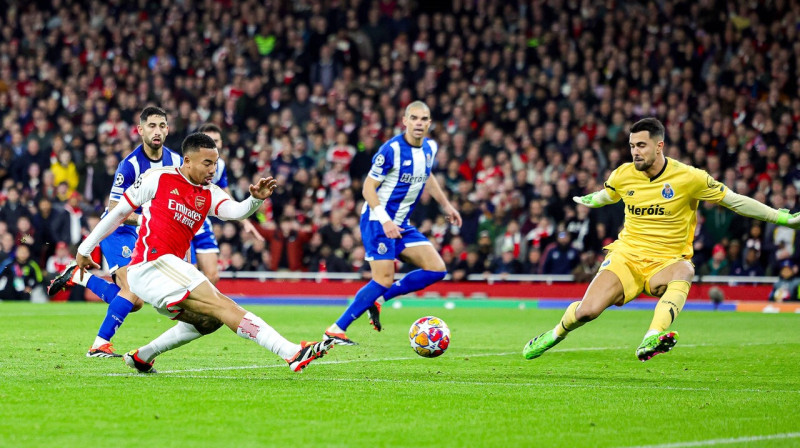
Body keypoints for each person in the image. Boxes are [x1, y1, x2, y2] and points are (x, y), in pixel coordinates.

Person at [523, 117, 800, 362]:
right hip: (626, 257)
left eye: (641, 145)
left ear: (659, 146)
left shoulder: (689, 177)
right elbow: (608, 195)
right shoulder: (623, 174)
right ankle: (556, 333)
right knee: (587, 312)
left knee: (686, 269)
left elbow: (734, 201)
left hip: (666, 261)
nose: (635, 152)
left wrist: (781, 217)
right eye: (632, 146)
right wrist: (591, 200)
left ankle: (652, 337)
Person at [74, 133, 332, 373]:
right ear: (187, 161)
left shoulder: (210, 194)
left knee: (210, 321)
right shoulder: (158, 178)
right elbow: (117, 212)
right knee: (223, 304)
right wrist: (85, 249)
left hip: (168, 270)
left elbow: (236, 211)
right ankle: (291, 352)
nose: (213, 169)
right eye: (207, 163)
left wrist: (255, 200)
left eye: (216, 163)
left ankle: (142, 356)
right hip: (150, 264)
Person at [323, 101, 462, 345]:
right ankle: (336, 329)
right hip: (378, 220)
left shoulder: (430, 147)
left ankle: (379, 299)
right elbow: (368, 187)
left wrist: (446, 205)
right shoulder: (391, 150)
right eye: (414, 118)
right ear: (405, 121)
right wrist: (386, 220)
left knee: (437, 268)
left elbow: (427, 175)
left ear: (429, 123)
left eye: (424, 119)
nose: (419, 123)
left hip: (401, 223)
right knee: (383, 278)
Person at [48, 106, 183, 357]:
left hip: (141, 233)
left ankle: (80, 277)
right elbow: (114, 210)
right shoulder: (130, 164)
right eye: (151, 126)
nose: (157, 131)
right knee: (132, 290)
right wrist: (148, 221)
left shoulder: (175, 161)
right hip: (117, 230)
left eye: (162, 125)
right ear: (140, 130)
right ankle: (99, 344)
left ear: (167, 129)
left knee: (135, 302)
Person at [190, 123, 262, 285]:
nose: (213, 144)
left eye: (216, 140)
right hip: (183, 220)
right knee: (190, 276)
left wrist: (245, 221)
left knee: (213, 277)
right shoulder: (187, 162)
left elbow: (225, 194)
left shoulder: (220, 165)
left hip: (201, 222)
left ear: (221, 143)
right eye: (208, 140)